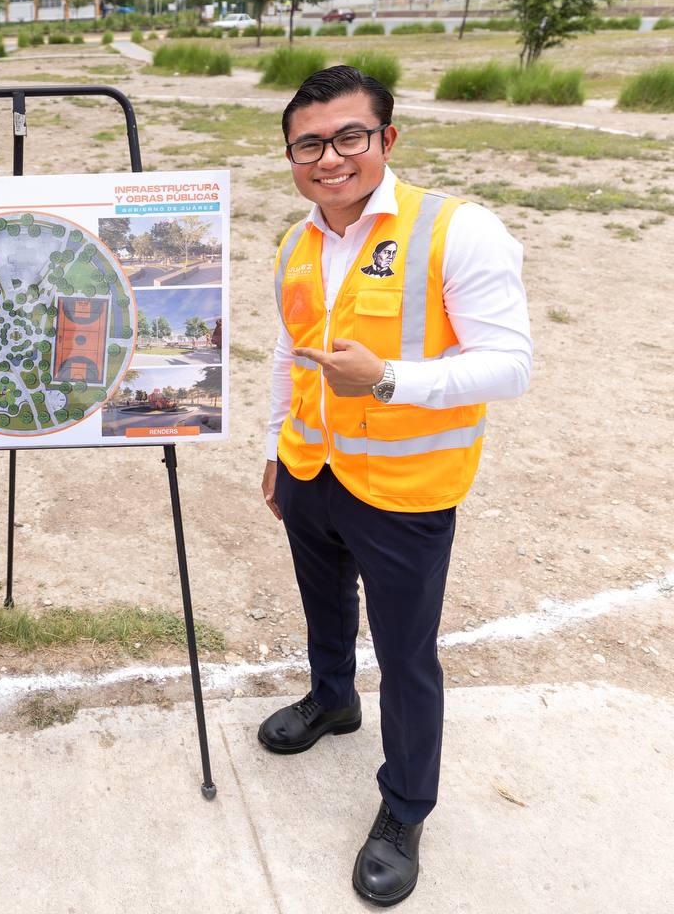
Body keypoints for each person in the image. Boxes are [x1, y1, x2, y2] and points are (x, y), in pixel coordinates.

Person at [258, 65, 531, 906]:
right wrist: (275, 447)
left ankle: (406, 807)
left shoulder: (457, 230)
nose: (330, 158)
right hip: (312, 469)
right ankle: (333, 700)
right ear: (292, 155)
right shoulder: (297, 243)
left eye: (350, 136)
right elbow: (289, 351)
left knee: (407, 655)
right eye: (309, 144)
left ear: (387, 138)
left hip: (407, 489)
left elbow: (511, 365)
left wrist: (387, 380)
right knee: (324, 606)